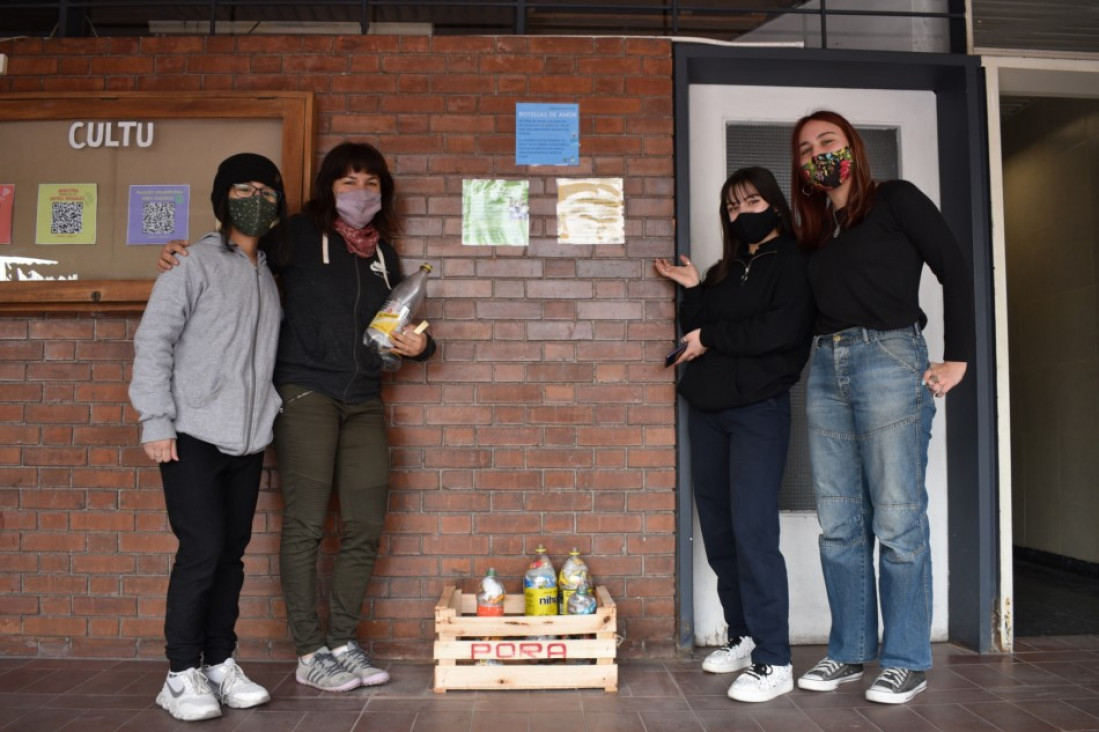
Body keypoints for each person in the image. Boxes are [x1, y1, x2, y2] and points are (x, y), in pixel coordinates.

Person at [159, 142, 436, 693]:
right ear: (327, 187)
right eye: (348, 181)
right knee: (307, 526)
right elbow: (239, 249)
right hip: (305, 392)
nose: (361, 192)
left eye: (371, 183)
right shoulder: (298, 235)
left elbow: (396, 326)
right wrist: (177, 253)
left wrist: (419, 349)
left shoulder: (387, 257)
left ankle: (341, 642)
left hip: (364, 399)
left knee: (364, 524)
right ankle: (309, 651)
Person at [790, 110, 974, 704]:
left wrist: (959, 357)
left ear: (852, 147)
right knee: (839, 523)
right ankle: (848, 652)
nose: (817, 153)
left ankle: (905, 660)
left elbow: (957, 269)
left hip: (890, 359)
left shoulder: (895, 200)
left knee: (897, 518)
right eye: (805, 148)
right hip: (826, 367)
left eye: (827, 141)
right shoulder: (815, 231)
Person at [131, 153, 286, 721]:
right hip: (189, 434)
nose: (256, 198)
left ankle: (220, 662)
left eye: (268, 191)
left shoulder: (267, 273)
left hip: (247, 439)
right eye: (243, 188)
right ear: (222, 198)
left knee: (232, 556)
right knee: (201, 551)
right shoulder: (190, 263)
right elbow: (154, 343)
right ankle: (178, 674)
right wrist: (155, 420)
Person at [655, 167, 814, 703]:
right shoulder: (729, 269)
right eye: (731, 207)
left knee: (753, 535)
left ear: (772, 203)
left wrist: (712, 336)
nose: (740, 214)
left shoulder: (794, 263)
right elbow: (699, 332)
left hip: (758, 412)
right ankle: (744, 635)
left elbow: (781, 332)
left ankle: (776, 659)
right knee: (720, 533)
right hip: (710, 411)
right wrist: (696, 289)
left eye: (749, 203)